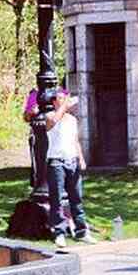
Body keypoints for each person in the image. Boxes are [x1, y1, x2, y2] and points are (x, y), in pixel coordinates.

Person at [45, 90, 93, 249]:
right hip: (56, 162)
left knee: (76, 197)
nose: (63, 101)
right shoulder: (50, 116)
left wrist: (81, 158)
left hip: (71, 161)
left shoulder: (72, 120)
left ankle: (81, 231)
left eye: (64, 98)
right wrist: (65, 105)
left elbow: (75, 140)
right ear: (53, 102)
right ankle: (59, 232)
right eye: (59, 99)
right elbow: (54, 120)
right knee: (57, 199)